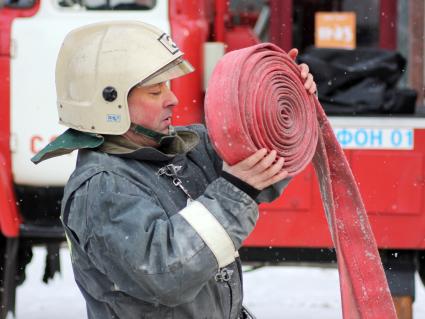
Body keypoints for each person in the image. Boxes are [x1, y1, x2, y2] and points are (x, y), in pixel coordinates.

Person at [32, 21, 316, 319]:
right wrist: (236, 192)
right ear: (108, 104)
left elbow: (263, 158)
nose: (173, 99)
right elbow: (165, 273)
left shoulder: (184, 150)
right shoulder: (102, 190)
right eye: (155, 91)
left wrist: (288, 98)